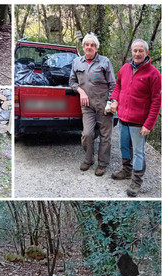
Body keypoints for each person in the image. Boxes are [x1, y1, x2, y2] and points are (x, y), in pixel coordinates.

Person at [110, 39, 161, 197]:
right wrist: (115, 100)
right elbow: (118, 86)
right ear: (131, 52)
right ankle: (126, 170)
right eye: (135, 50)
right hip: (123, 117)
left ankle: (136, 182)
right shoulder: (125, 68)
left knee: (138, 152)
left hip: (140, 123)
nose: (137, 53)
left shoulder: (154, 74)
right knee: (124, 146)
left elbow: (156, 101)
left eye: (141, 51)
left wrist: (149, 124)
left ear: (146, 53)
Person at [69, 33, 116, 176]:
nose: (89, 47)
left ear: (96, 48)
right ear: (83, 47)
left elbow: (113, 84)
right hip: (87, 105)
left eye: (92, 45)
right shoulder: (77, 62)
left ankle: (102, 164)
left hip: (103, 104)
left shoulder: (105, 62)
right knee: (87, 134)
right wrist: (81, 92)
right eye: (87, 44)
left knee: (105, 136)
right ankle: (88, 159)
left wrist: (111, 101)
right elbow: (72, 82)